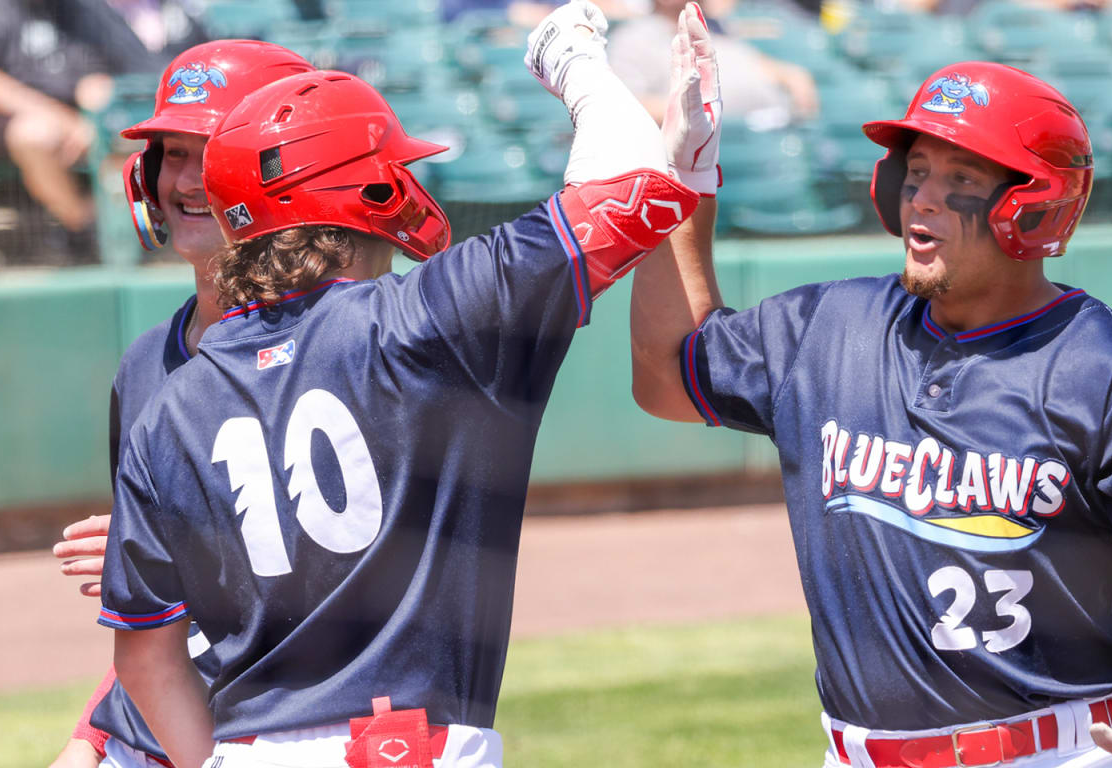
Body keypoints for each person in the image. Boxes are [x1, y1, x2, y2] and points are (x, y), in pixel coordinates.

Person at [631, 38, 1112, 768]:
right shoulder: (826, 333)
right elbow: (666, 376)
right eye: (917, 170)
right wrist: (678, 179)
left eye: (960, 174)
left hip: (1058, 755)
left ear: (1033, 208)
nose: (922, 195)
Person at [96, 3, 699, 767]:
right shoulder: (430, 318)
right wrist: (569, 56)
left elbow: (146, 660)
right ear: (363, 195)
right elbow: (636, 184)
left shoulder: (169, 401)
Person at [46, 39, 316, 768]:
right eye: (171, 152)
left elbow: (362, 570)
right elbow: (154, 632)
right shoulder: (143, 368)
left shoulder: (339, 350)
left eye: (215, 150)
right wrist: (90, 739)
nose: (188, 180)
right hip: (152, 736)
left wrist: (182, 557)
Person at [609, 0, 817, 128]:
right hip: (703, 160)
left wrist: (790, 75)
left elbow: (752, 61)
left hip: (766, 150)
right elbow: (626, 107)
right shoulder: (634, 37)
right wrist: (705, 112)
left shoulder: (718, 28)